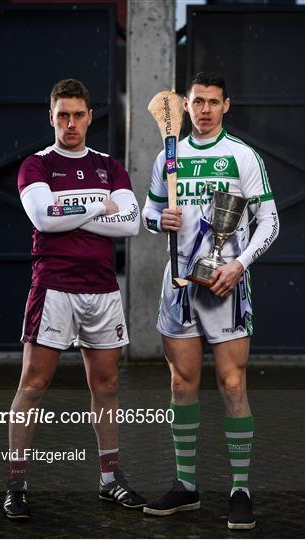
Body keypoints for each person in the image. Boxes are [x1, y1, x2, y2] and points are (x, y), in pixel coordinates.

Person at [142, 72, 279, 530]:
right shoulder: (168, 156)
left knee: (232, 385)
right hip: (179, 286)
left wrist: (238, 265)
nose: (203, 110)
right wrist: (158, 218)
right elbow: (147, 212)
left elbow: (270, 222)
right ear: (185, 104)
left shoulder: (242, 156)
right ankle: (186, 487)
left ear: (226, 106)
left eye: (212, 103)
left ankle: (240, 490)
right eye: (196, 102)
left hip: (225, 287)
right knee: (182, 384)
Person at [4, 78, 146, 519]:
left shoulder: (109, 166)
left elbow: (131, 223)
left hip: (102, 289)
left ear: (90, 117)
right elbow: (45, 220)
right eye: (62, 114)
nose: (70, 123)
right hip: (54, 288)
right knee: (33, 385)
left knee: (106, 386)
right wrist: (96, 207)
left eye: (78, 115)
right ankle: (16, 483)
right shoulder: (37, 165)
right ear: (51, 116)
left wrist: (72, 211)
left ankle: (109, 479)